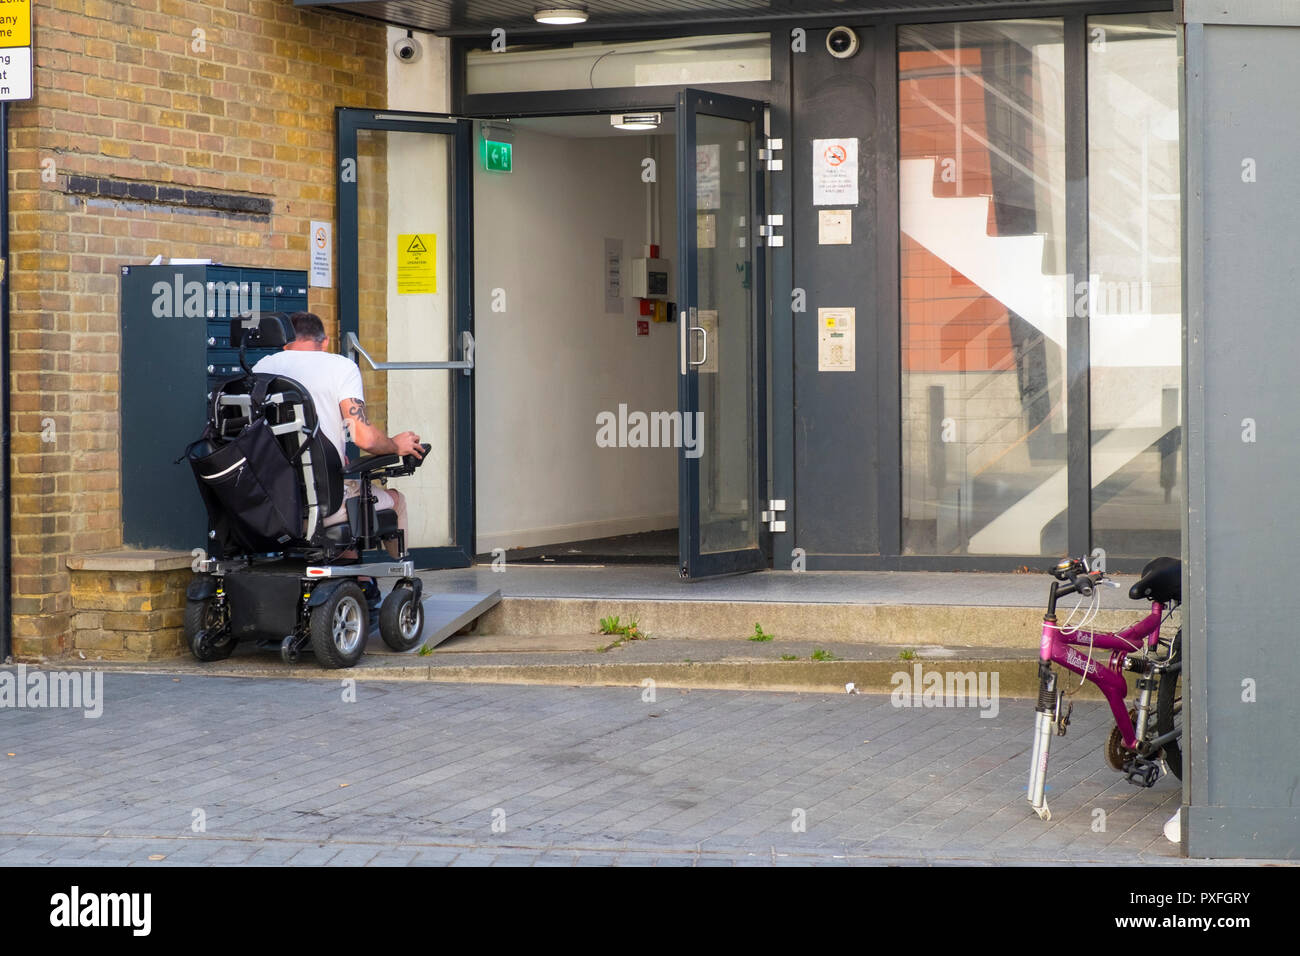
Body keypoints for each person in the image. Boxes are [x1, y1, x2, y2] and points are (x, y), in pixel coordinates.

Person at [252, 312, 424, 563]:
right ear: (325, 342)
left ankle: (357, 578)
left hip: (271, 508)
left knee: (346, 493)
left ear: (285, 342)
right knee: (395, 500)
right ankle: (402, 574)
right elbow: (364, 438)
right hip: (322, 507)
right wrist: (396, 445)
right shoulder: (340, 367)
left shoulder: (261, 368)